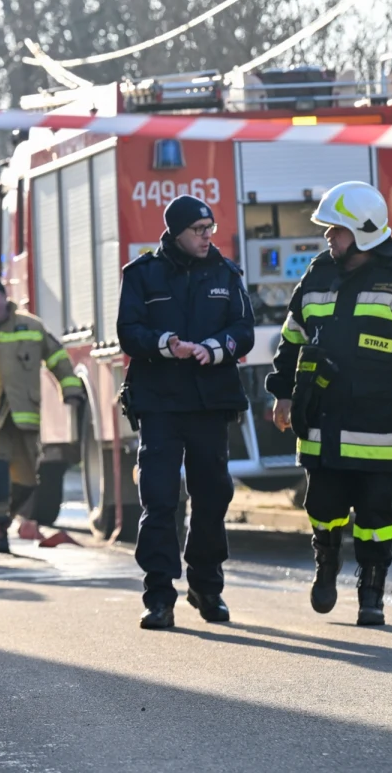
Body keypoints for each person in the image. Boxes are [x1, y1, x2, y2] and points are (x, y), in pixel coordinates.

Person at [267, 182, 392, 626]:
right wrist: (283, 393)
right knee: (322, 507)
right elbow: (291, 340)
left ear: (364, 232)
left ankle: (372, 590)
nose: (329, 237)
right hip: (322, 422)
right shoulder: (317, 275)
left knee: (376, 514)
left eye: (337, 230)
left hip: (379, 424)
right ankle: (326, 564)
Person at [117, 194, 255, 630]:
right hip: (159, 403)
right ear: (176, 233)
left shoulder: (226, 272)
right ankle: (159, 595)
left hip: (210, 403)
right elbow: (129, 331)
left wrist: (215, 350)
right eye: (198, 230)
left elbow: (243, 330)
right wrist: (167, 344)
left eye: (210, 228)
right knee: (159, 500)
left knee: (213, 498)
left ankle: (206, 587)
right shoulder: (142, 274)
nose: (207, 236)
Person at [0, 273, 85, 553]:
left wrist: (70, 388)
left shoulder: (31, 326)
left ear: (4, 297)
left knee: (25, 482)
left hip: (24, 420)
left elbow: (57, 357)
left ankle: (5, 516)